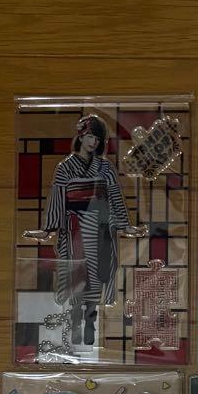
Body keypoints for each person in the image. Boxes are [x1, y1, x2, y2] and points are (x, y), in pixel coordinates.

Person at [24, 114, 144, 346]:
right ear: (80, 137)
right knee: (76, 274)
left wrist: (124, 224)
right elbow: (57, 199)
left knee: (97, 275)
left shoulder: (105, 167)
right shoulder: (65, 167)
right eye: (89, 137)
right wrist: (48, 229)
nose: (93, 142)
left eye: (97, 139)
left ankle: (91, 321)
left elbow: (115, 196)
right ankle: (75, 321)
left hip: (100, 228)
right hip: (75, 228)